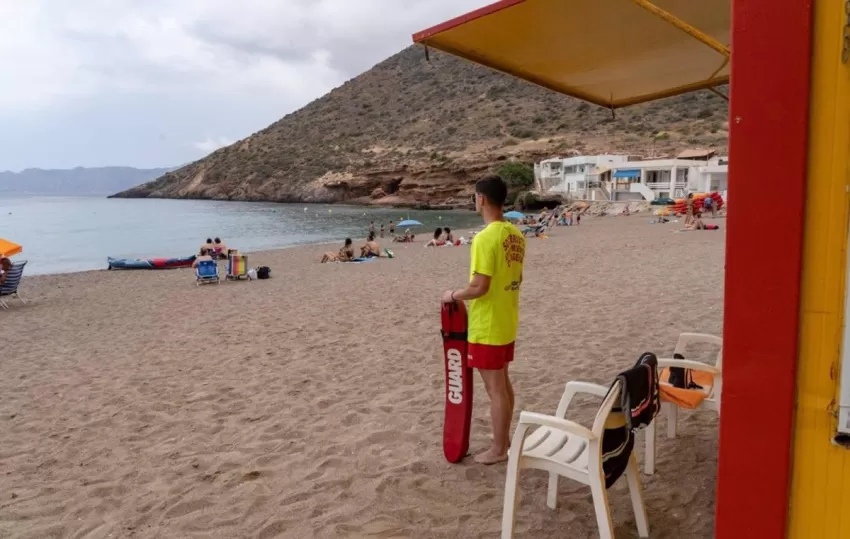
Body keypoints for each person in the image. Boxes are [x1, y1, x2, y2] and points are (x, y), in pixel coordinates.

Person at [442, 174, 525, 465]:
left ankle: (499, 449)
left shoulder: (485, 237)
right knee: (502, 384)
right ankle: (505, 439)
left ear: (481, 198)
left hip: (488, 324)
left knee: (495, 389)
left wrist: (452, 295)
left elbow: (480, 286)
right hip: (506, 318)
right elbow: (516, 278)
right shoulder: (515, 235)